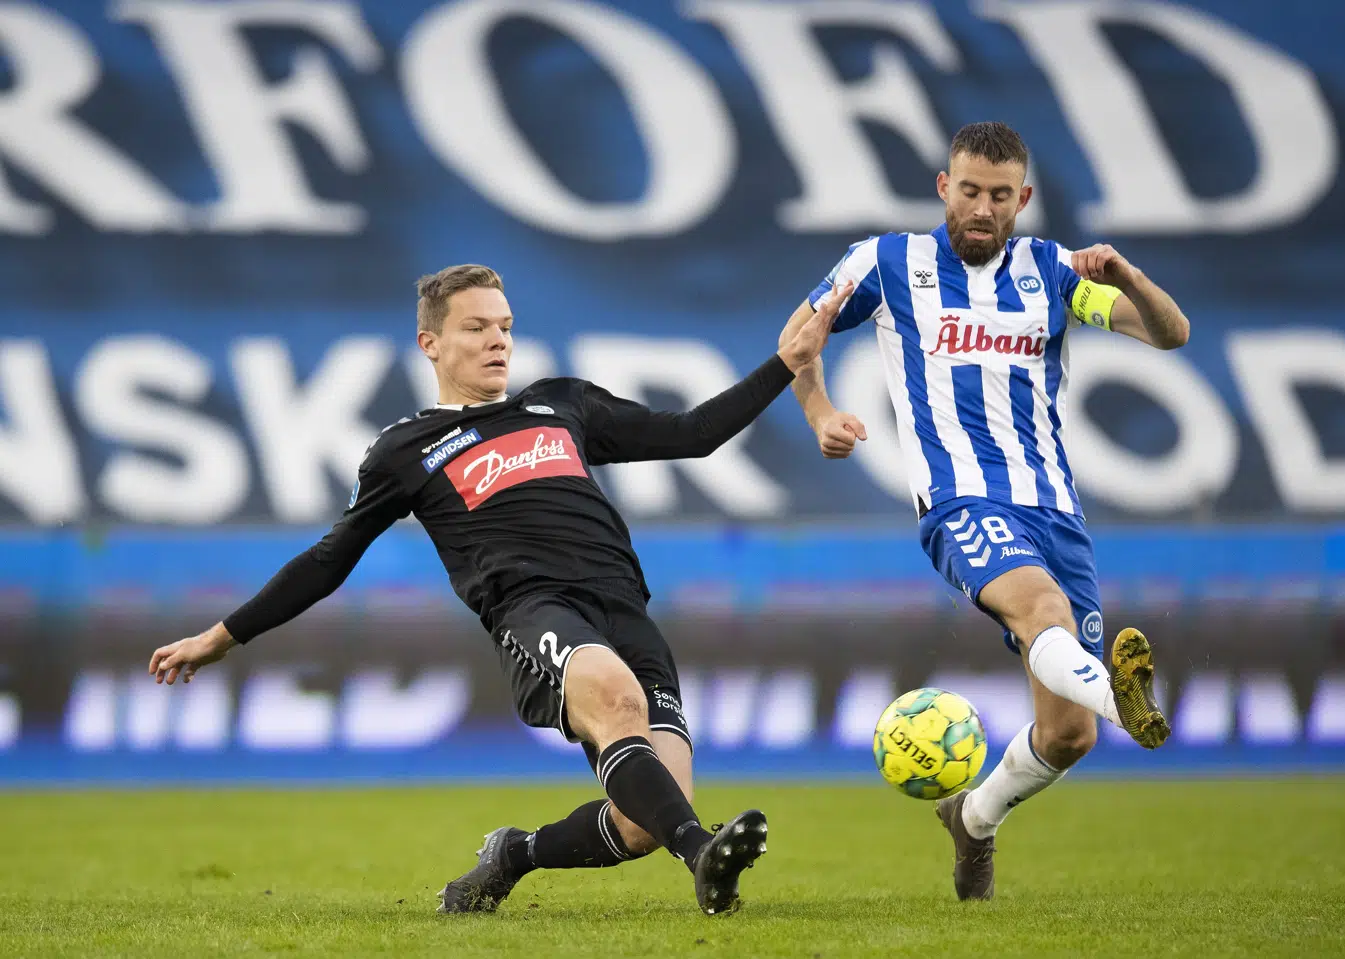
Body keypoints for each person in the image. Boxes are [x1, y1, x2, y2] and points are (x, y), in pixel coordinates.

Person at [148, 263, 853, 917]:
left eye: (506, 327)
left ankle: (515, 852)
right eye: (477, 327)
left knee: (642, 822)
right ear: (430, 342)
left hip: (623, 605)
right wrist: (220, 636)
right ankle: (704, 854)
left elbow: (693, 434)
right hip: (535, 609)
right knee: (618, 701)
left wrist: (785, 364)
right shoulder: (408, 448)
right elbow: (330, 557)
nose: (498, 342)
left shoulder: (561, 405)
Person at [778, 122, 1189, 901]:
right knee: (1042, 609)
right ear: (944, 187)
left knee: (1068, 734)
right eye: (969, 190)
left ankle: (975, 818)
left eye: (1000, 196)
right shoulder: (888, 262)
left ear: (1022, 199)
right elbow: (798, 337)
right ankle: (1125, 698)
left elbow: (1171, 334)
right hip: (961, 500)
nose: (981, 208)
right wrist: (820, 410)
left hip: (1057, 512)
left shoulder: (1054, 274)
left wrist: (1129, 276)